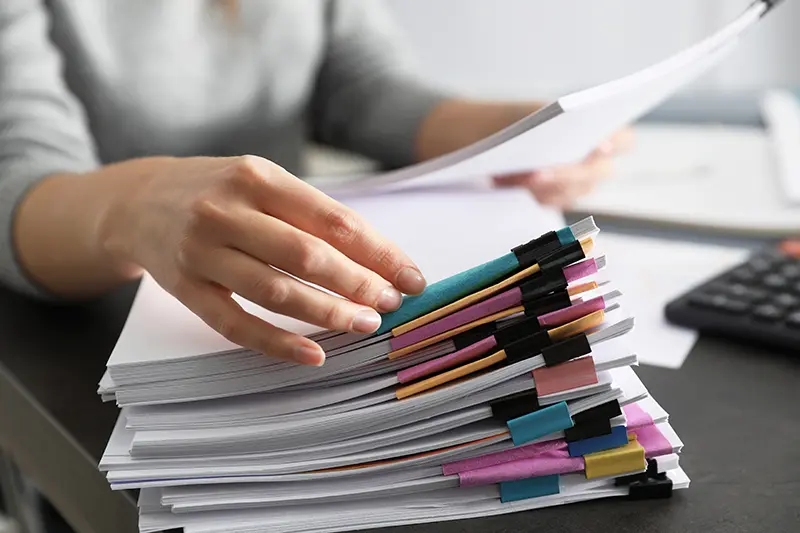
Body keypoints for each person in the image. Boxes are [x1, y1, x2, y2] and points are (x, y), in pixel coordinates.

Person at [0, 0, 630, 367]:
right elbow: (19, 174)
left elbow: (359, 84)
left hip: (287, 287)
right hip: (89, 322)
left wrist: (514, 130)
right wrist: (133, 209)